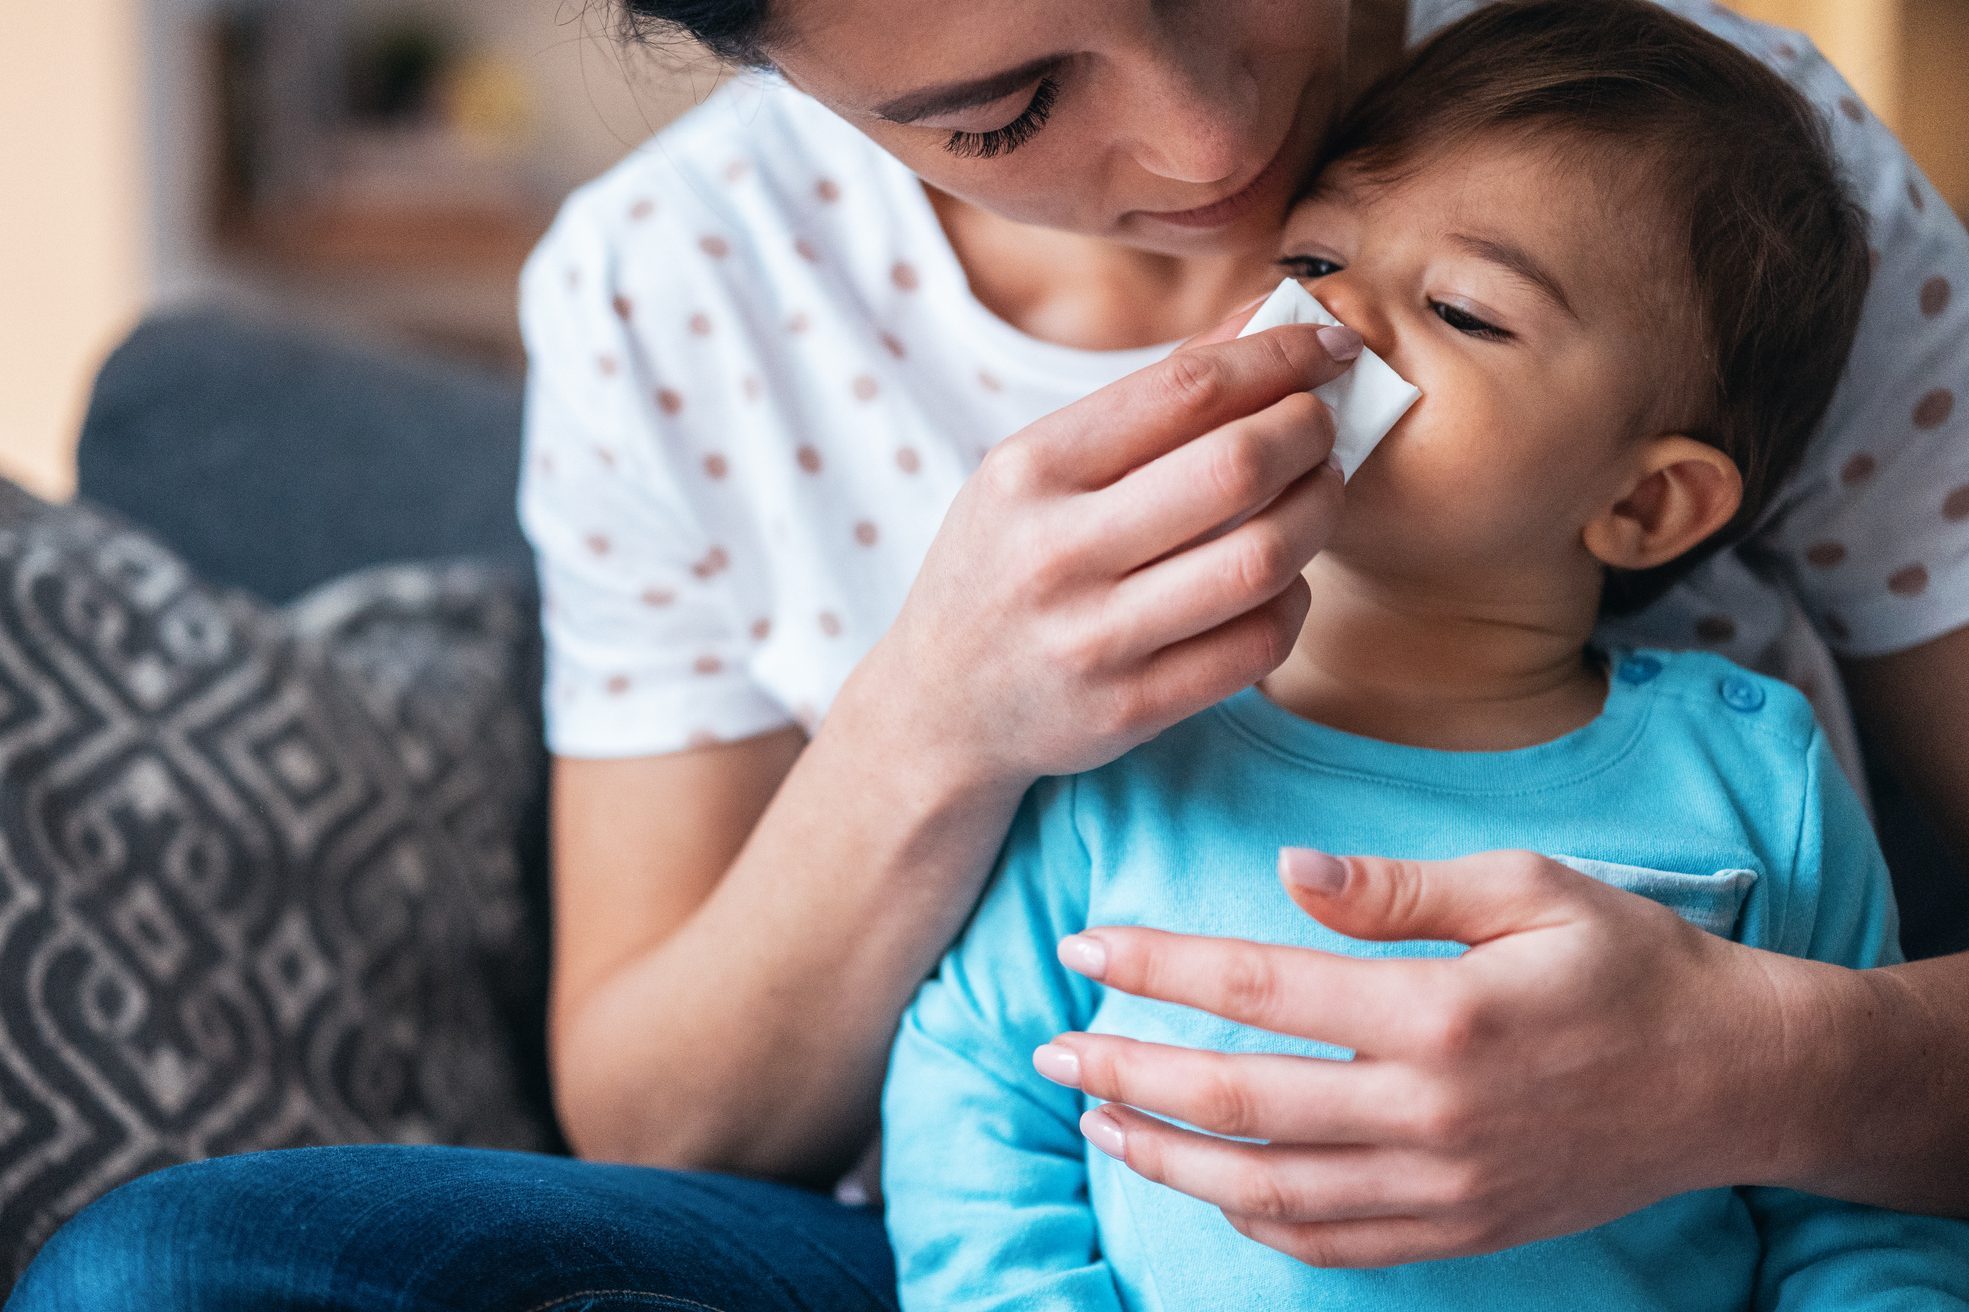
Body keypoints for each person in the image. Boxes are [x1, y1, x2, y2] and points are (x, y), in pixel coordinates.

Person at [11, 0, 1969, 1306]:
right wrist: (937, 717)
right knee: (175, 1269)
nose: (1225, 136)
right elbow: (703, 1120)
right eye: (1006, 105)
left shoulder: (1695, 173)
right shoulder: (674, 296)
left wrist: (1763, 1066)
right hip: (1020, 1260)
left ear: (1654, 498)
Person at [881, 4, 1969, 1307]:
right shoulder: (1127, 741)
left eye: (1461, 310)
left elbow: (1859, 1208)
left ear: (1644, 506)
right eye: (1314, 258)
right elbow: (974, 1092)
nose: (1339, 328)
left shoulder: (1751, 779)